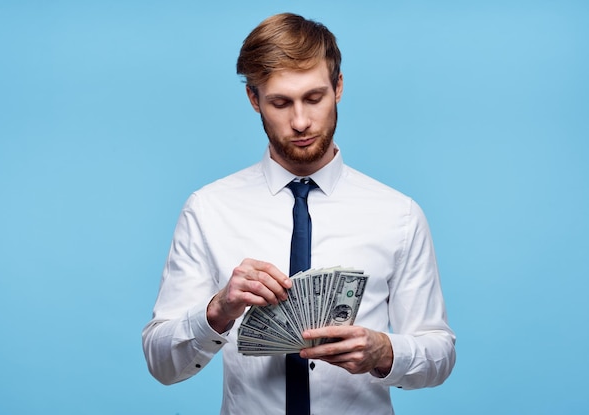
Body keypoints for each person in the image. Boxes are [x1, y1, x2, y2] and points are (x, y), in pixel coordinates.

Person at [142, 12, 456, 415]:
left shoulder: (399, 215)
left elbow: (440, 353)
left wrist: (385, 350)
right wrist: (217, 312)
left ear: (338, 87)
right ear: (254, 99)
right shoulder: (208, 209)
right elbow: (161, 364)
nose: (301, 121)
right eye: (280, 102)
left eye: (314, 97)